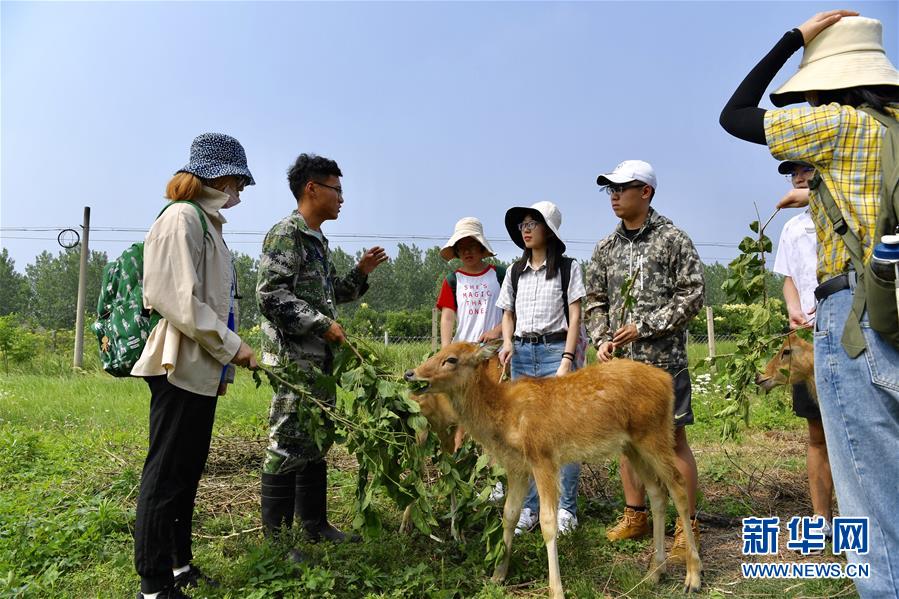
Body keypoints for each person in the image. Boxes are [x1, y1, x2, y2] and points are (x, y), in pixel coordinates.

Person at [720, 11, 899, 596]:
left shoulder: (839, 126)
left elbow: (736, 114)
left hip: (856, 318)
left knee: (870, 498)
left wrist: (792, 38)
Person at [131, 132, 260, 599]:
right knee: (166, 472)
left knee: (188, 470)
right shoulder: (181, 219)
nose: (240, 192)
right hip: (179, 364)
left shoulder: (208, 224)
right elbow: (175, 299)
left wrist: (224, 356)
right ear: (218, 175)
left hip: (202, 366)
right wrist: (232, 346)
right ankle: (153, 583)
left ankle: (179, 564)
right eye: (238, 182)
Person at [256, 153, 387, 561]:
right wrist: (320, 325)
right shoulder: (286, 234)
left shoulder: (317, 241)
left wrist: (361, 272)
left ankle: (314, 526)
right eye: (337, 189)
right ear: (312, 188)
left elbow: (332, 295)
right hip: (294, 361)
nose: (342, 198)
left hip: (319, 363)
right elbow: (270, 295)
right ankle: (276, 545)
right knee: (286, 442)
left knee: (314, 441)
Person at [583, 160, 704, 563]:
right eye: (610, 190)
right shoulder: (605, 248)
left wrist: (645, 326)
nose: (614, 195)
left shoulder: (672, 240)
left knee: (672, 441)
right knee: (625, 440)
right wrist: (601, 339)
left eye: (622, 188)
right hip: (620, 367)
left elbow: (691, 295)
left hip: (663, 364)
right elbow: (595, 301)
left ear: (646, 192)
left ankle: (687, 527)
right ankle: (635, 516)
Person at [495, 201, 586, 535]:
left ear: (550, 230)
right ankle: (532, 508)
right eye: (523, 224)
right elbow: (507, 314)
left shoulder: (567, 268)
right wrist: (507, 343)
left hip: (554, 352)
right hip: (522, 353)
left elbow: (575, 315)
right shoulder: (515, 272)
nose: (527, 228)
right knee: (527, 437)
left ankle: (565, 509)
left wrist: (566, 358)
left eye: (534, 222)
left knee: (564, 432)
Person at [772, 160, 835, 547]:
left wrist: (813, 196)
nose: (798, 174)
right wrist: (793, 309)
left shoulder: (849, 211)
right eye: (792, 170)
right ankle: (822, 519)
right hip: (808, 339)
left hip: (846, 331)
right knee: (816, 433)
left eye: (807, 166)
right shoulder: (792, 228)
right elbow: (789, 279)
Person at [435, 217, 506, 454]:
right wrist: (447, 351)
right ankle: (458, 462)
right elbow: (447, 316)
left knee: (494, 410)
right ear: (456, 251)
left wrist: (497, 331)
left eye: (471, 245)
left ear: (481, 248)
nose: (467, 251)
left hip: (494, 354)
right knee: (461, 414)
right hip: (463, 358)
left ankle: (495, 472)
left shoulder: (499, 275)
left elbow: (511, 310)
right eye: (461, 247)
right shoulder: (454, 280)